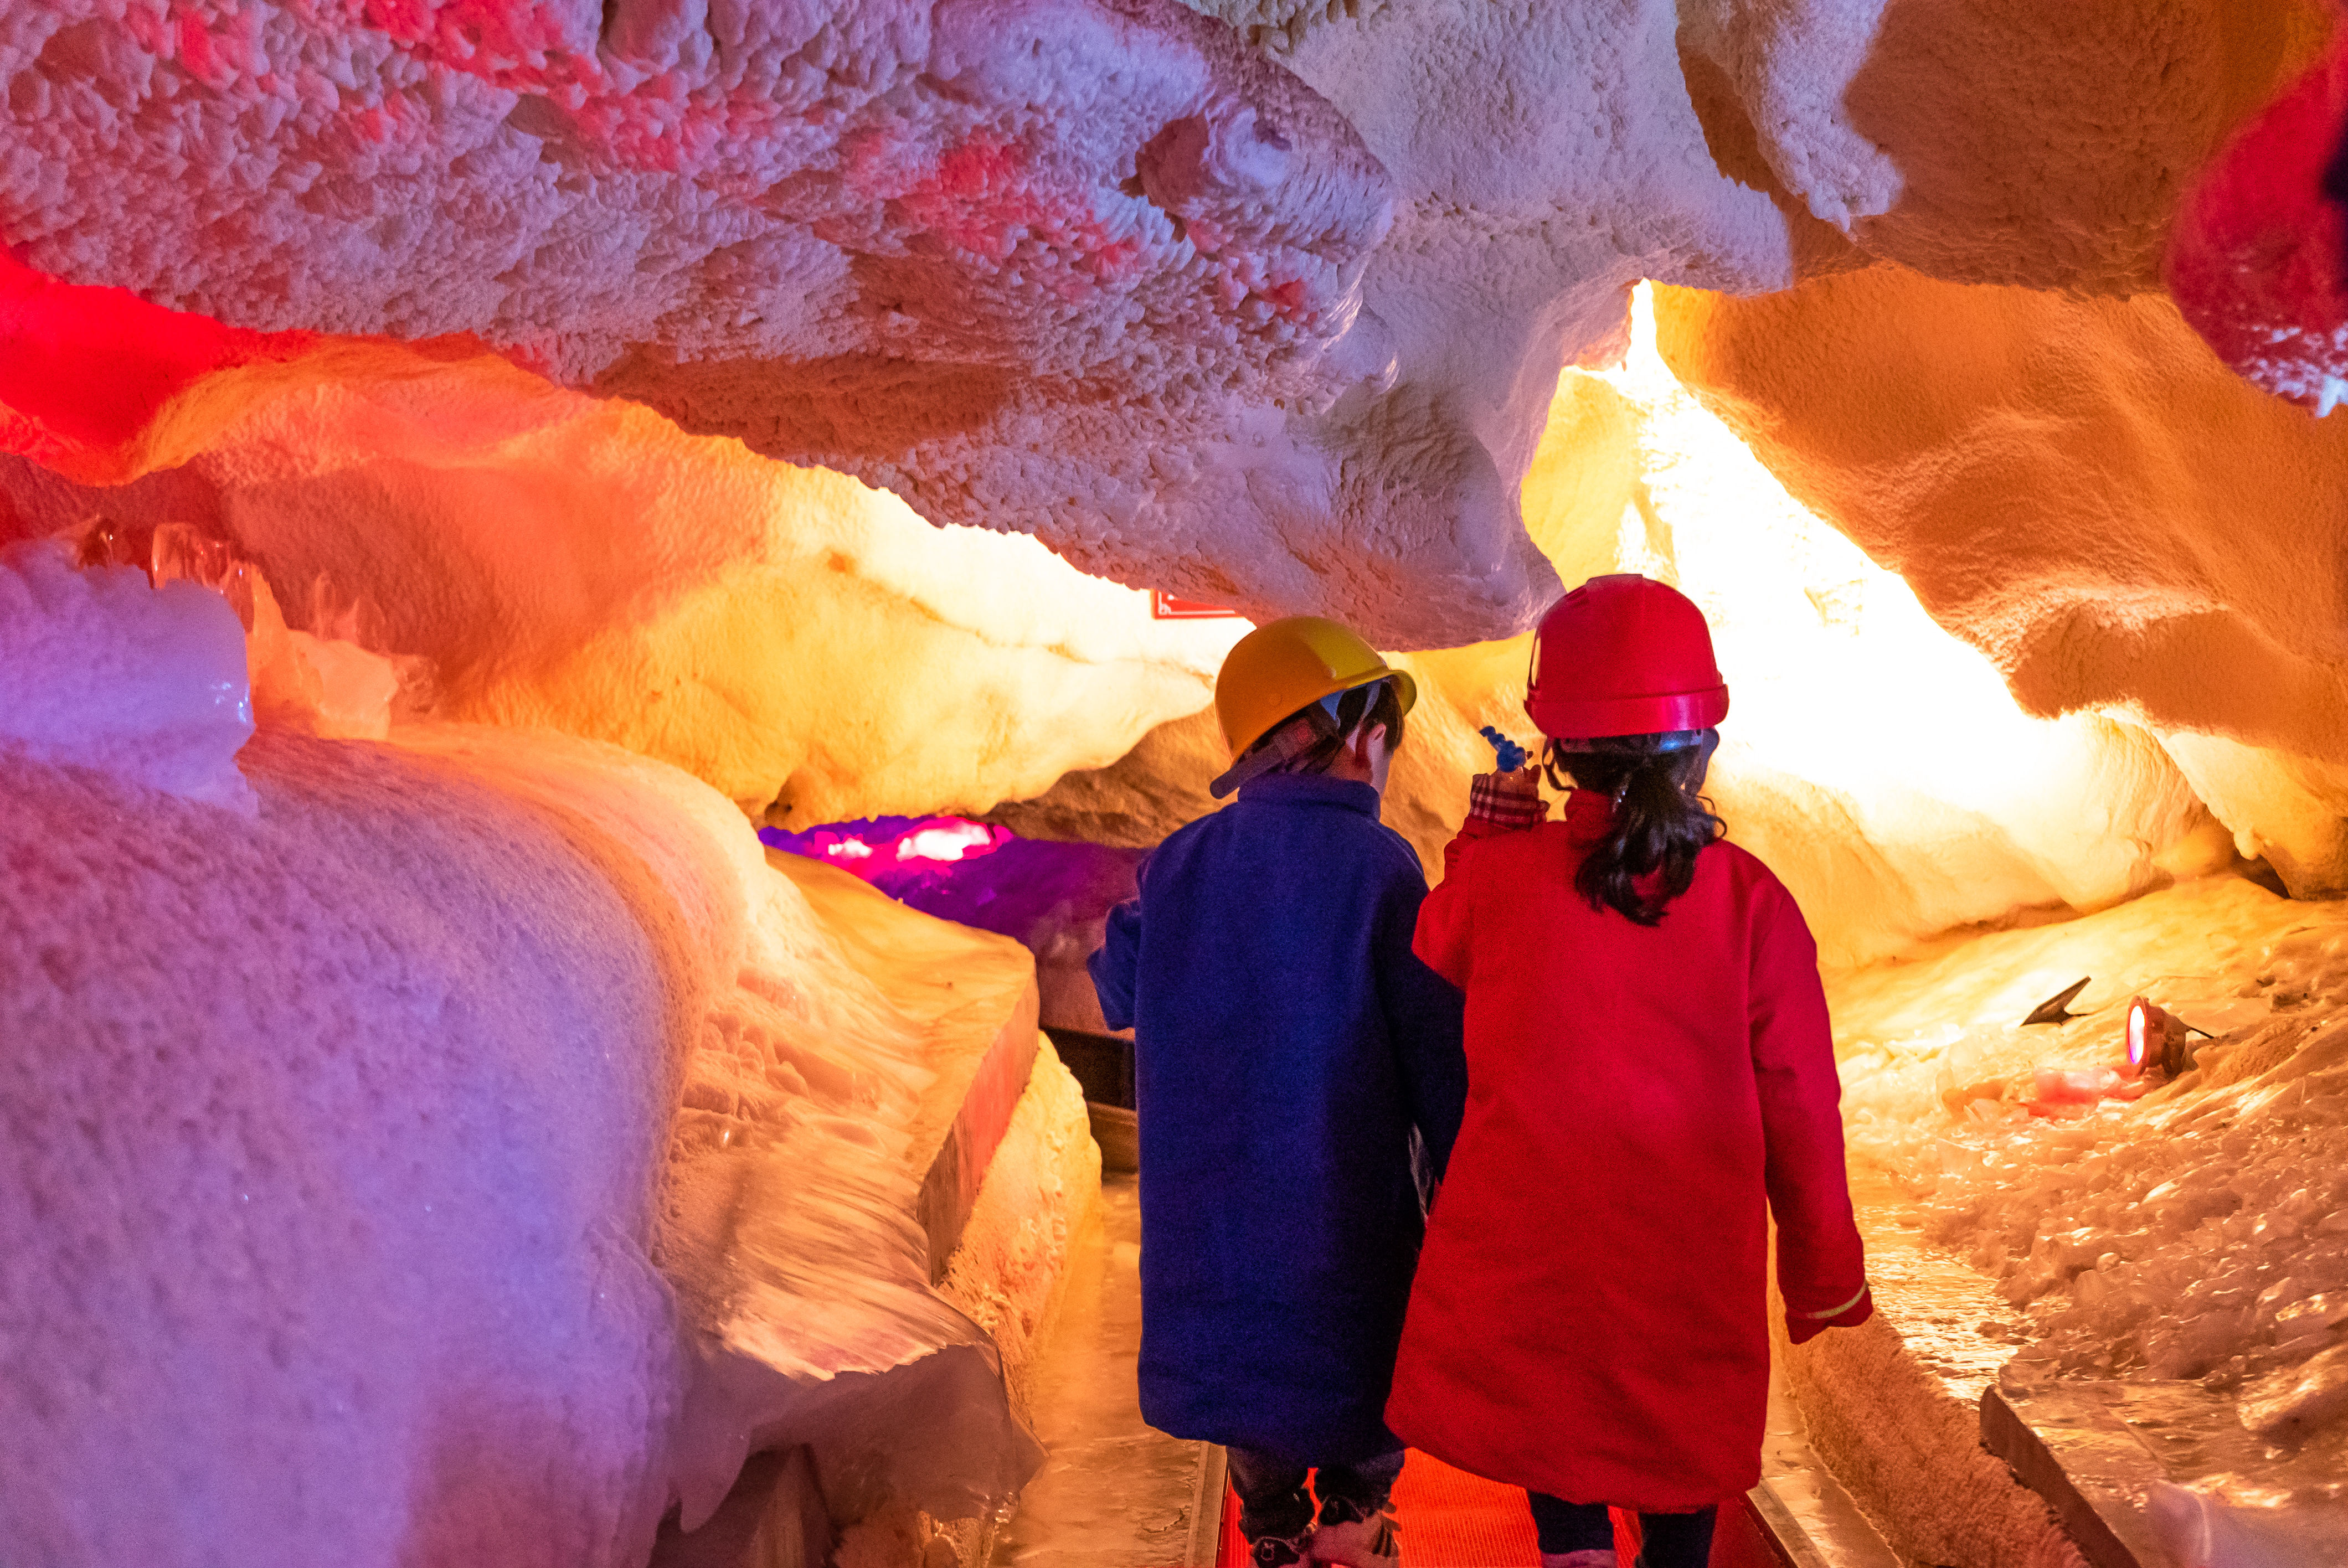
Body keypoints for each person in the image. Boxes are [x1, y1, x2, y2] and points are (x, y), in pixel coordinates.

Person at [1383, 575, 1871, 1568]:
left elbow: (1436, 943)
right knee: (1679, 1468)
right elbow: (1801, 1103)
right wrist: (1821, 1275)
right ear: (1702, 744)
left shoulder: (1503, 885)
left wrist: (1486, 838)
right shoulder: (1752, 904)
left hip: (1537, 1253)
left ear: (1558, 751)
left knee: (1556, 1436)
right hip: (1686, 1264)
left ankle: (1576, 1554)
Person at [1090, 616, 1468, 1568]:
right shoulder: (1380, 869)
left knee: (1244, 1372)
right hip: (1341, 1208)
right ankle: (1357, 1514)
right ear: (1358, 735)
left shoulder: (1179, 863)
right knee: (1367, 1357)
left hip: (1211, 1224)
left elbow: (1115, 985)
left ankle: (1271, 1530)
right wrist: (1467, 1168)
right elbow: (1431, 1044)